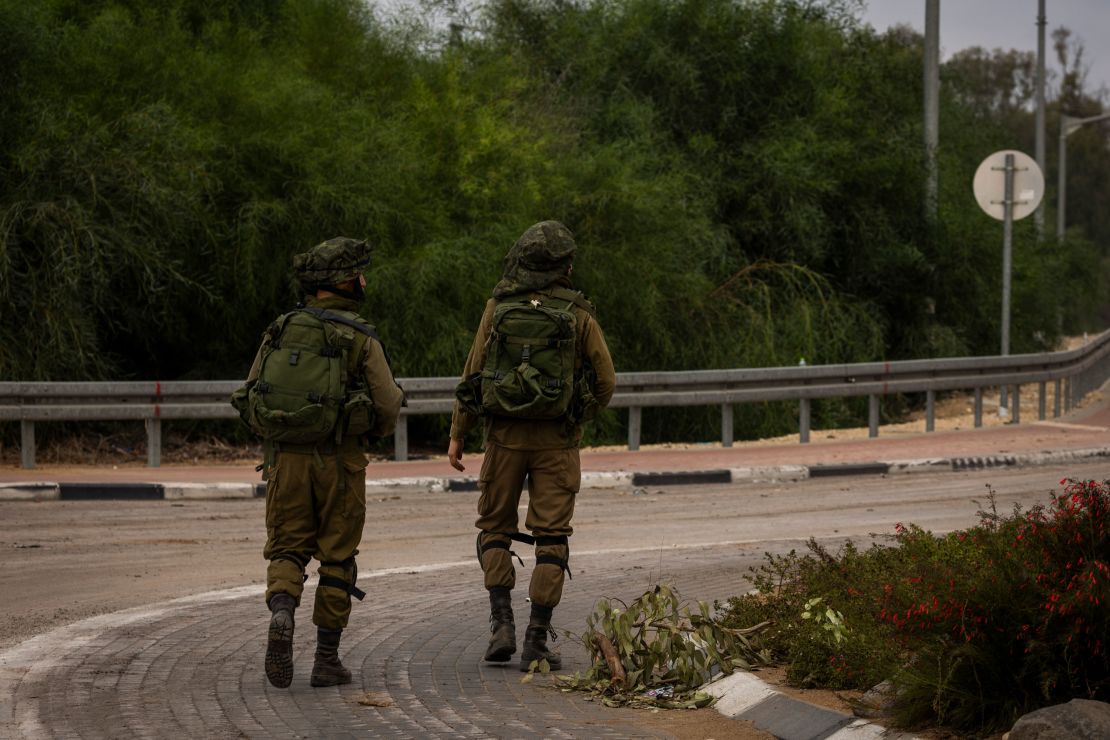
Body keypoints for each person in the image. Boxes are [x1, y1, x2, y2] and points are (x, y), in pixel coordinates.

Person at [232, 237, 404, 689]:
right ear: (344, 281)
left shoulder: (282, 328)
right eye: (359, 273)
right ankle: (326, 660)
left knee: (287, 548)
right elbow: (387, 406)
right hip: (341, 463)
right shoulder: (360, 338)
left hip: (285, 461)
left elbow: (251, 390)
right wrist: (368, 430)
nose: (364, 280)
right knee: (337, 556)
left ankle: (283, 609)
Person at [448, 221, 616, 671]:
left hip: (503, 438)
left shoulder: (497, 306)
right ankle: (535, 641)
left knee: (495, 528)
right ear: (566, 265)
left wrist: (458, 432)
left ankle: (500, 623)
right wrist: (574, 416)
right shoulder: (578, 312)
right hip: (557, 443)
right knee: (552, 537)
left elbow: (474, 372)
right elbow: (606, 380)